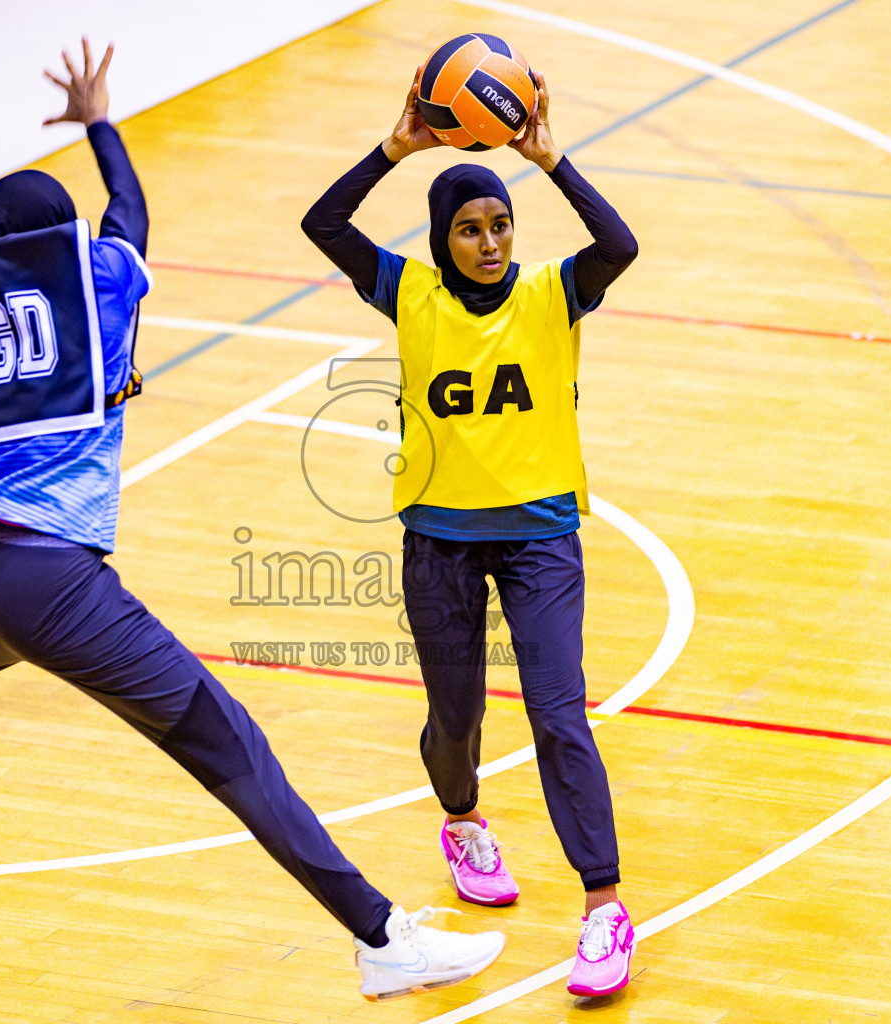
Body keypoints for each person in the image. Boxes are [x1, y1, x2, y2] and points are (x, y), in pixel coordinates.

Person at [0, 40, 503, 1003]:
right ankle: (382, 938)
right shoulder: (101, 287)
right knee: (231, 746)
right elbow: (129, 214)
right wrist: (98, 122)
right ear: (70, 248)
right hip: (51, 580)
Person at [300, 65, 640, 998]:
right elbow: (323, 226)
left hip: (541, 539)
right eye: (470, 228)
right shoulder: (407, 291)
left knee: (558, 713)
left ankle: (605, 906)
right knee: (455, 720)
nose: (490, 243)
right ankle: (461, 822)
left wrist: (550, 160)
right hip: (439, 539)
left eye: (500, 226)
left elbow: (620, 242)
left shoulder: (552, 294)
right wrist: (396, 148)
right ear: (441, 239)